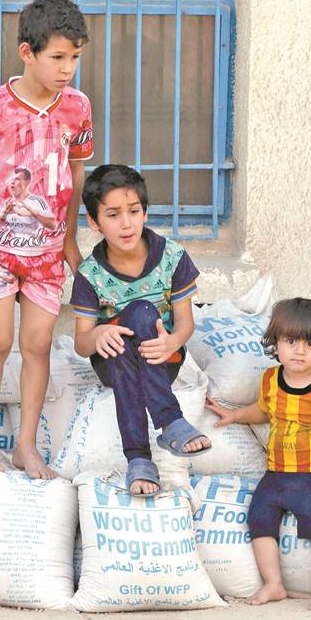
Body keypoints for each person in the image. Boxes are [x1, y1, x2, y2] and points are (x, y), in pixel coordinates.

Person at [0, 0, 94, 478]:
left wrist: (71, 240)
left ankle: (27, 446)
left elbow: (76, 176)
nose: (67, 68)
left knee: (36, 344)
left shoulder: (77, 108)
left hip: (47, 255)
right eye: (58, 57)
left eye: (75, 57)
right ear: (27, 52)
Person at [206, 298, 311, 611]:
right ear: (276, 342)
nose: (299, 350)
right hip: (276, 474)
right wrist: (234, 415)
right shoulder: (269, 380)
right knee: (259, 520)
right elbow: (263, 411)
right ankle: (274, 584)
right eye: (290, 341)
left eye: (310, 343)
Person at [70, 164, 211, 495]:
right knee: (134, 317)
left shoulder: (172, 257)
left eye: (133, 211)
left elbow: (185, 323)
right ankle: (166, 426)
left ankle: (140, 461)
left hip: (164, 357)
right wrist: (98, 335)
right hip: (114, 361)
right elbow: (81, 343)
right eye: (113, 214)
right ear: (93, 222)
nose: (126, 223)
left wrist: (172, 341)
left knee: (145, 315)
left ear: (145, 212)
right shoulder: (90, 275)